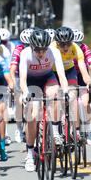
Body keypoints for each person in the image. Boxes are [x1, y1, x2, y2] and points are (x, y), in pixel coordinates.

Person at [19, 28, 69, 172]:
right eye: (37, 50)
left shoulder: (54, 52)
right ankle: (29, 154)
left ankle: (55, 132)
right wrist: (26, 92)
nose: (41, 53)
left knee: (55, 94)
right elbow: (22, 79)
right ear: (32, 47)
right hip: (31, 81)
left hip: (48, 78)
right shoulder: (25, 54)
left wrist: (65, 90)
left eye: (43, 49)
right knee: (33, 116)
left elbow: (61, 75)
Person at [50, 26, 91, 144]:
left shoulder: (75, 48)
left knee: (73, 98)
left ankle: (76, 130)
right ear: (56, 42)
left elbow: (82, 67)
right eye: (61, 44)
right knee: (56, 98)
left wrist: (88, 81)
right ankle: (55, 130)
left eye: (67, 44)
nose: (65, 47)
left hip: (69, 71)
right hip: (53, 72)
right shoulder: (52, 48)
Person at [72, 28, 91, 145]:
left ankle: (88, 130)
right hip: (70, 75)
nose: (77, 46)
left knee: (84, 103)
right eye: (74, 43)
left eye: (79, 43)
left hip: (82, 76)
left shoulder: (84, 48)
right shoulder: (66, 49)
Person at [10, 28, 34, 143]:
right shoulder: (18, 49)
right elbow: (12, 69)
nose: (27, 46)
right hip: (20, 76)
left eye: (29, 44)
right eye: (25, 44)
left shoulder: (37, 49)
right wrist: (14, 85)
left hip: (33, 75)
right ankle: (19, 128)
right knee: (19, 102)